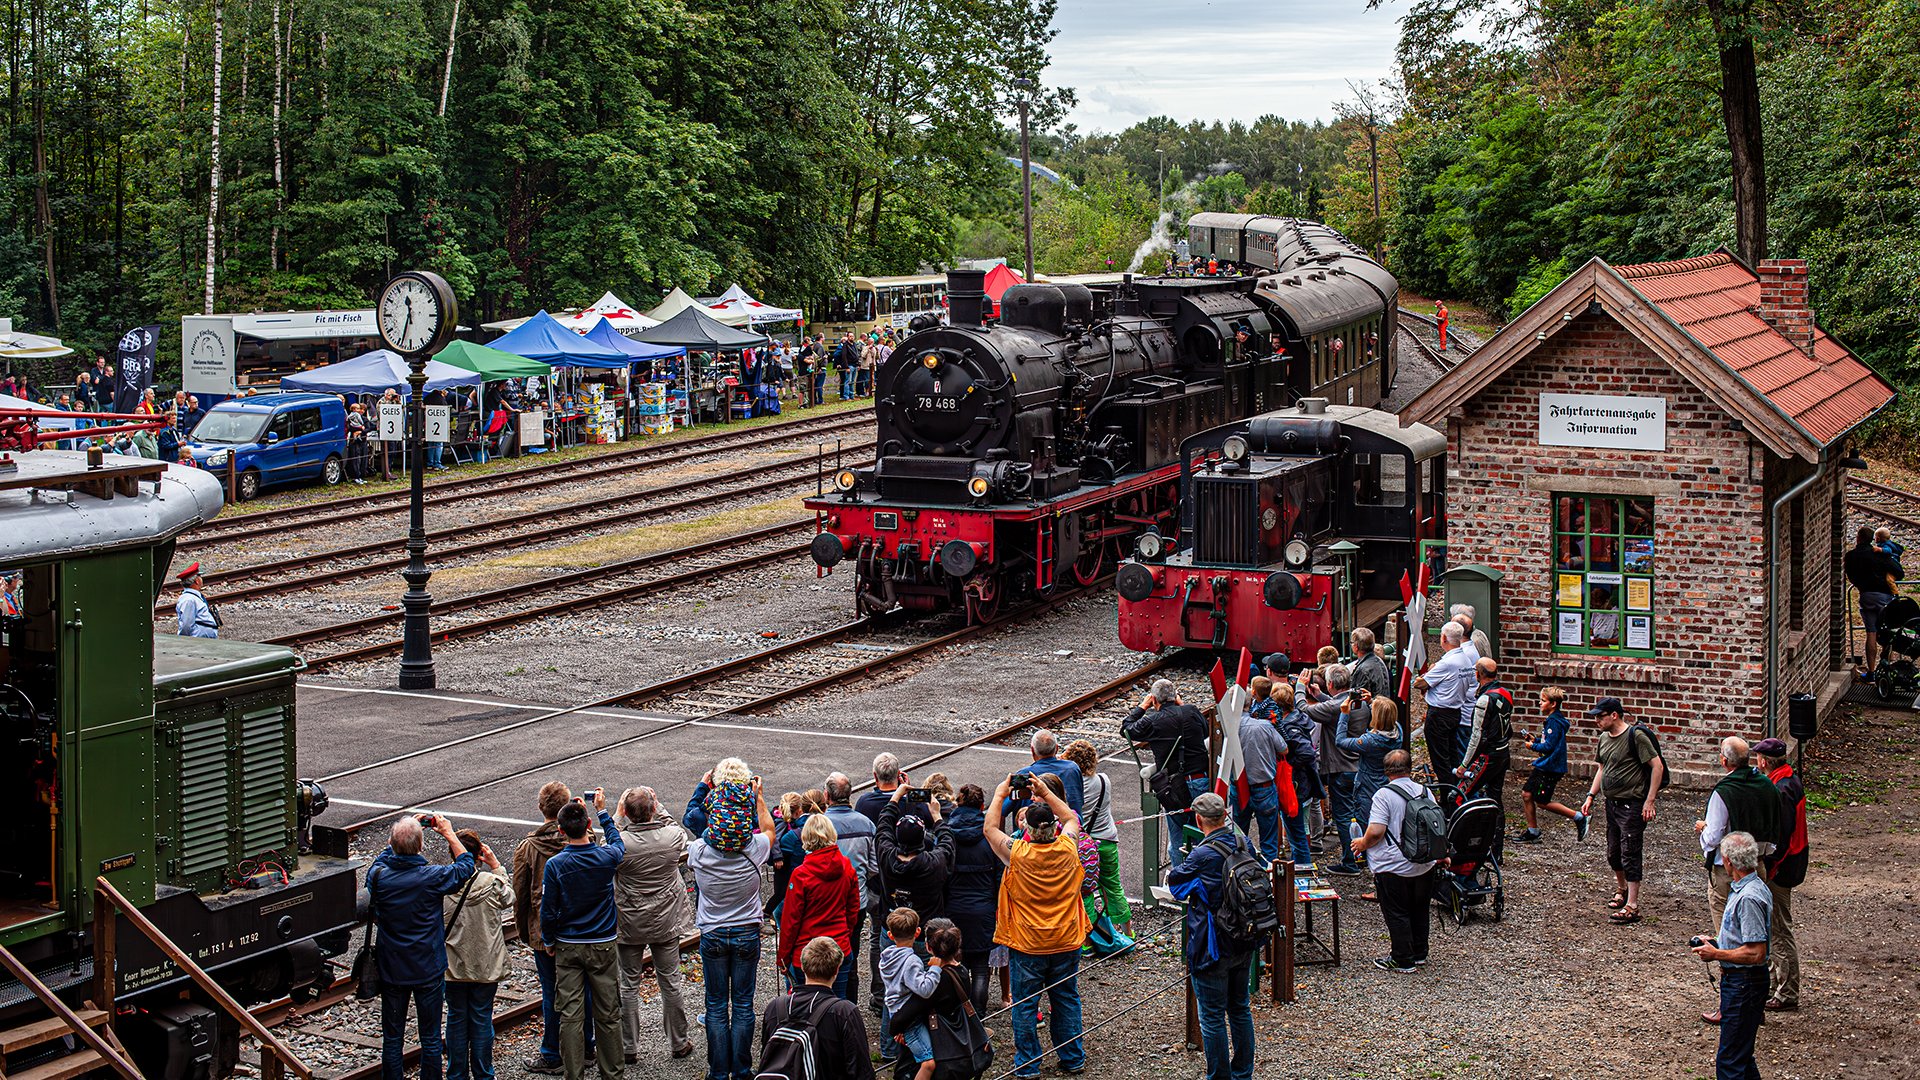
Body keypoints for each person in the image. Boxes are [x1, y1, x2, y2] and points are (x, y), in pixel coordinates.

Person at [984, 771, 1089, 1078]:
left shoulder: (1017, 853)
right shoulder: (1069, 846)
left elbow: (990, 828)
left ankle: (1029, 1064)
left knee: (1026, 1004)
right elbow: (1070, 817)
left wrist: (1001, 793)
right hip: (1066, 939)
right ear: (1053, 828)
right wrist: (1045, 790)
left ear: (1026, 828)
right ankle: (1072, 1057)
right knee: (1066, 997)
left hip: (1028, 942)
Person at [369, 814, 475, 1080]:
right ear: (421, 847)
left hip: (392, 968)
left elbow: (379, 863)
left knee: (392, 1038)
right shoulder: (431, 877)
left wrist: (393, 842)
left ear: (392, 843)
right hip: (427, 967)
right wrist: (449, 833)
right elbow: (465, 866)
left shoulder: (380, 877)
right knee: (429, 1037)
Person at [688, 773, 776, 1080]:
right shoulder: (756, 849)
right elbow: (768, 827)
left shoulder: (698, 852)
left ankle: (718, 1071)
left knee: (714, 1004)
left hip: (712, 932)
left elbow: (695, 817)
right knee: (742, 1004)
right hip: (746, 933)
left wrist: (705, 787)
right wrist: (758, 795)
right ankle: (741, 1070)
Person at [1167, 793, 1257, 1080]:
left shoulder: (1201, 855)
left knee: (1213, 1016)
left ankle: (1219, 1076)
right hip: (1244, 937)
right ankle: (1243, 1072)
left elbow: (1177, 885)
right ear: (1225, 816)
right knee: (1240, 1008)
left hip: (1212, 942)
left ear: (1198, 819)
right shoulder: (1245, 843)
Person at [541, 793, 625, 1080]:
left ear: (560, 831)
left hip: (568, 945)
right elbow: (618, 843)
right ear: (588, 824)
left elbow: (548, 910)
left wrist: (549, 940)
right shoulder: (606, 857)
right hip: (602, 943)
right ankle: (612, 1073)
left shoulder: (555, 865)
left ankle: (574, 1074)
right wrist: (603, 813)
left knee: (570, 1016)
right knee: (608, 1013)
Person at [611, 787, 694, 1061]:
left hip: (630, 920)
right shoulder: (672, 838)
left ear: (627, 813)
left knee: (628, 985)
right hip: (665, 919)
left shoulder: (619, 844)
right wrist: (661, 808)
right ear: (653, 809)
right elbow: (677, 829)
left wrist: (615, 816)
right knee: (670, 982)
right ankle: (679, 1042)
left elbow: (604, 853)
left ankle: (628, 1047)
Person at [513, 782, 584, 1075]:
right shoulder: (584, 836)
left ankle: (552, 1052)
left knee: (551, 992)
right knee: (584, 990)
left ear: (540, 808)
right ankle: (587, 1047)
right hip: (582, 930)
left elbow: (520, 896)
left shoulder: (528, 848)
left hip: (546, 934)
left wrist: (525, 932)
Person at [1350, 751, 1439, 972]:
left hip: (1393, 865)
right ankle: (1419, 952)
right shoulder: (1425, 791)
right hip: (1424, 863)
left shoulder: (1384, 795)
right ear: (1410, 768)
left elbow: (1376, 832)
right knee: (1420, 909)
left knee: (1397, 912)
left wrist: (1361, 843)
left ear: (1386, 771)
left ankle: (1402, 959)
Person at [1578, 698, 1664, 925]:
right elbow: (1602, 769)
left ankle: (1632, 906)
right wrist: (1590, 795)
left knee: (1631, 852)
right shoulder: (1604, 738)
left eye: (1600, 716)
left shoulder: (1636, 737)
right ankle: (1621, 887)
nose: (1597, 721)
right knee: (1613, 852)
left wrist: (1650, 801)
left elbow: (1657, 767)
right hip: (1612, 803)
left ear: (1614, 715)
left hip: (1632, 804)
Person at [1691, 832, 1771, 1077]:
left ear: (1727, 861)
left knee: (1730, 1062)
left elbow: (1756, 952)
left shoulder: (1748, 897)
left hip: (1744, 984)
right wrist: (1717, 942)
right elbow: (1745, 938)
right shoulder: (1749, 888)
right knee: (1741, 1056)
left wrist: (1716, 954)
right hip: (1742, 983)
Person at [1695, 738, 1782, 949]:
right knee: (1757, 929)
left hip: (1728, 870)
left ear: (1724, 761)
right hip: (1757, 864)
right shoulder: (1767, 785)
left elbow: (1714, 837)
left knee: (1727, 932)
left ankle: (1732, 974)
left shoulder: (1724, 792)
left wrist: (1703, 829)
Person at [444, 830, 514, 1080]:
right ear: (477, 855)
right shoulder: (492, 884)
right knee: (482, 1018)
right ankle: (484, 1073)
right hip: (486, 965)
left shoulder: (442, 885)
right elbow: (510, 897)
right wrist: (496, 866)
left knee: (456, 1018)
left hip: (452, 966)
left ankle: (456, 1074)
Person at [1123, 678, 1212, 866]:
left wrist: (1142, 706)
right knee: (1206, 834)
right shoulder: (1192, 711)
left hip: (1173, 787)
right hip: (1200, 780)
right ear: (1175, 696)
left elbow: (1127, 730)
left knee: (1178, 837)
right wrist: (1183, 705)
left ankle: (1182, 881)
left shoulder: (1153, 720)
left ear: (1154, 700)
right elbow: (1205, 731)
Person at [759, 937, 875, 1080]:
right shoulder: (843, 1012)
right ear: (837, 969)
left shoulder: (775, 1007)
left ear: (802, 966)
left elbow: (766, 1058)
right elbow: (861, 1071)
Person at [1751, 738, 1806, 1012]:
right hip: (1790, 864)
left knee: (1780, 930)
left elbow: (1781, 838)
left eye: (1758, 757)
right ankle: (1778, 987)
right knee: (1777, 928)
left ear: (1764, 761)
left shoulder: (1781, 789)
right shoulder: (1789, 780)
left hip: (1783, 867)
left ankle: (1786, 993)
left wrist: (1770, 865)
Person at [777, 814, 859, 997]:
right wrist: (845, 933)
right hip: (839, 946)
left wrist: (783, 957)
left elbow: (790, 920)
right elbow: (853, 909)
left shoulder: (801, 875)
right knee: (837, 1001)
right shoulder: (847, 867)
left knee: (806, 1005)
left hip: (806, 952)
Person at [944, 783, 1002, 1013]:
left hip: (954, 906)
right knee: (980, 967)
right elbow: (999, 876)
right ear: (981, 806)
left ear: (958, 804)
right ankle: (978, 1014)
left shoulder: (947, 833)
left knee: (956, 962)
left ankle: (959, 1010)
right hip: (983, 908)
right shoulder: (990, 835)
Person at [822, 773, 878, 1007]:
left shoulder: (820, 824)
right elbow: (874, 866)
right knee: (850, 957)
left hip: (825, 904)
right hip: (858, 902)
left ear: (827, 796)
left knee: (824, 957)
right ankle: (849, 1008)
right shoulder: (866, 824)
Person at [1064, 739, 1130, 934]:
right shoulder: (1103, 780)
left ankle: (1090, 937)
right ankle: (1127, 932)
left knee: (1084, 892)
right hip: (1107, 840)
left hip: (1083, 845)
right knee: (1113, 886)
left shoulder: (1069, 787)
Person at [1303, 665, 1362, 872]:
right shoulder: (1358, 700)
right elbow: (1335, 705)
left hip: (1340, 767)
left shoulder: (1334, 707)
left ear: (1330, 684)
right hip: (1357, 766)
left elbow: (1304, 710)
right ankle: (1360, 857)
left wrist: (1301, 688)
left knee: (1344, 816)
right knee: (1356, 814)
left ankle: (1350, 862)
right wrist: (1320, 696)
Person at [1455, 657, 1514, 859]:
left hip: (1489, 756)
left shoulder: (1484, 700)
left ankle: (1460, 843)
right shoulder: (1506, 693)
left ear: (1478, 674)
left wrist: (1464, 764)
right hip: (1503, 751)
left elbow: (1476, 735)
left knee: (1459, 794)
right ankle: (1496, 850)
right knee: (1495, 799)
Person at [1513, 687, 1588, 843]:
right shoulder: (1553, 720)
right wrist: (1536, 740)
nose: (1539, 703)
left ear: (1553, 704)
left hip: (1549, 768)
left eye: (1543, 700)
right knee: (1527, 795)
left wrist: (1531, 746)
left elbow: (1548, 748)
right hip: (1544, 766)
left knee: (1542, 801)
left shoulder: (1554, 722)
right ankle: (1532, 831)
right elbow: (1548, 743)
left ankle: (1579, 817)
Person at [877, 774, 955, 921]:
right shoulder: (933, 862)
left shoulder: (886, 855)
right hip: (925, 927)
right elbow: (947, 842)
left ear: (897, 836)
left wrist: (895, 797)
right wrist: (936, 815)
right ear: (923, 838)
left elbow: (883, 827)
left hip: (892, 927)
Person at [878, 908, 944, 1080]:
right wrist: (935, 969)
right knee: (928, 1062)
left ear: (890, 935)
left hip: (896, 1011)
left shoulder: (886, 956)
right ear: (918, 932)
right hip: (909, 1017)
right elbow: (924, 989)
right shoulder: (911, 961)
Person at [1232, 677, 1290, 865]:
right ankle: (1270, 881)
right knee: (1269, 842)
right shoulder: (1265, 726)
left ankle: (1242, 875)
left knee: (1238, 839)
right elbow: (1284, 749)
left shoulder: (1228, 727)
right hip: (1264, 786)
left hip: (1238, 787)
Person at [1414, 622, 1475, 775]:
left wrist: (1427, 674)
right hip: (1455, 713)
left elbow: (1419, 683)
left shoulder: (1447, 663)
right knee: (1452, 756)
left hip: (1439, 715)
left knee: (1440, 760)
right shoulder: (1465, 660)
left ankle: (1448, 795)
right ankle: (1455, 790)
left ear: (1443, 638)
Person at [1273, 682, 1322, 870]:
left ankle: (1302, 870)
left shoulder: (1289, 726)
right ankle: (1302, 867)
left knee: (1296, 833)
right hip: (1303, 783)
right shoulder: (1299, 718)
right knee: (1297, 830)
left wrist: (1289, 764)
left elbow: (1307, 753)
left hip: (1295, 785)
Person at [1846, 527, 1902, 680]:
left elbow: (1850, 575)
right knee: (1887, 632)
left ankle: (1871, 672)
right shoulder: (1879, 554)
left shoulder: (1851, 556)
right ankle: (1886, 670)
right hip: (1885, 597)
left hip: (1866, 596)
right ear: (1872, 539)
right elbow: (1899, 571)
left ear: (1858, 538)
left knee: (1871, 632)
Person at [1010, 729, 1084, 816]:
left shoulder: (1023, 774)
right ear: (1056, 749)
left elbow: (1003, 811)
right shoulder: (1072, 769)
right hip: (1070, 824)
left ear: (1033, 750)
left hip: (1032, 827)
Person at [174, 562, 220, 638]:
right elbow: (186, 625)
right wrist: (183, 641)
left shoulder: (193, 597)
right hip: (198, 641)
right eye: (200, 576)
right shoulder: (189, 599)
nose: (202, 579)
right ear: (197, 581)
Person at [1348, 628, 1392, 701]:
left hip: (1372, 710)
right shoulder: (1379, 661)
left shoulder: (1362, 670)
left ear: (1356, 647)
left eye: (1351, 642)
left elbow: (1356, 700)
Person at [346, 402, 370, 484]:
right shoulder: (352, 418)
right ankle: (355, 476)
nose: (361, 411)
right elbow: (349, 427)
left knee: (363, 459)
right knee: (355, 459)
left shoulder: (364, 419)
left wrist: (361, 432)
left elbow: (369, 427)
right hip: (354, 441)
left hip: (362, 440)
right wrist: (360, 429)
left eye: (363, 409)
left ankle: (361, 475)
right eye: (359, 409)